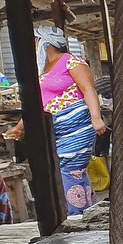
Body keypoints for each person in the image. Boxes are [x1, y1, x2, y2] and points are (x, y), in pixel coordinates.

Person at [3, 25, 106, 216]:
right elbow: (40, 104)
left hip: (77, 127)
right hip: (56, 131)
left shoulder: (71, 62)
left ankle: (76, 215)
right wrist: (18, 128)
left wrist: (96, 118)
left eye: (36, 41)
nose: (34, 45)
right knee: (64, 170)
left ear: (46, 43)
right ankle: (85, 212)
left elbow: (88, 90)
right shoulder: (43, 70)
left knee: (70, 169)